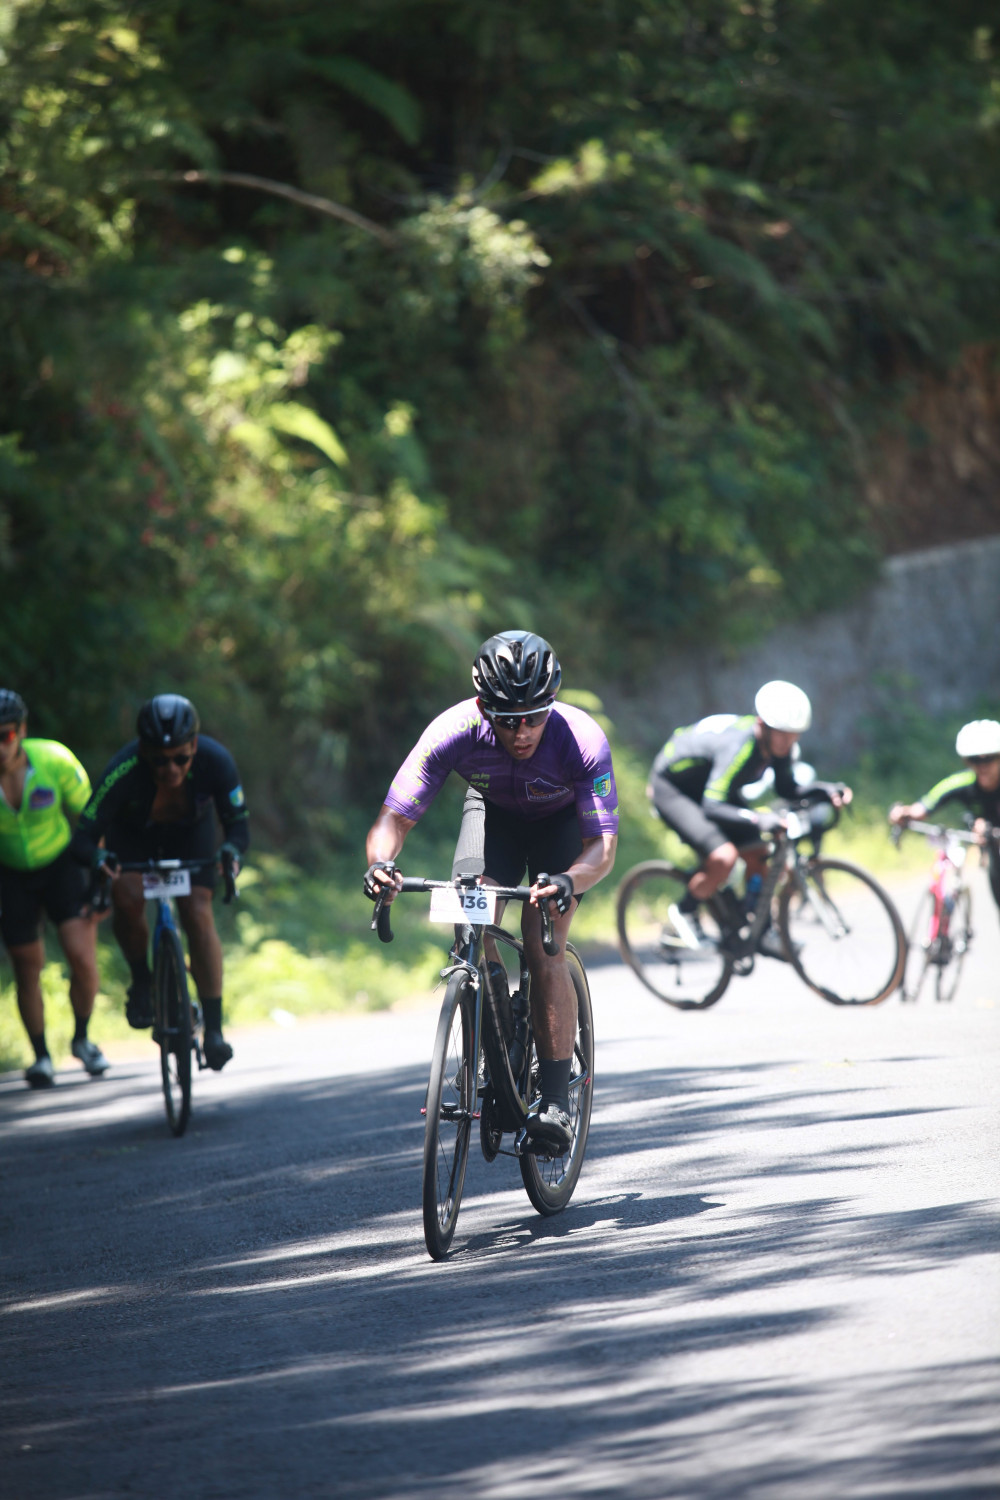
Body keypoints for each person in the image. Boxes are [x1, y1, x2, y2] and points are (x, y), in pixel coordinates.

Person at [364, 630, 618, 1154]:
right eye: (506, 720)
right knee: (471, 919)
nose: (522, 732)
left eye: (534, 717)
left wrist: (569, 880)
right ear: (483, 708)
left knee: (543, 942)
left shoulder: (581, 738)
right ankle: (498, 1030)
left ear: (552, 704)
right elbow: (394, 819)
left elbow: (601, 848)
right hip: (492, 817)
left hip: (559, 829)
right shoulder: (453, 730)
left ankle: (554, 1101)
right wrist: (381, 865)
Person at [70, 693, 248, 1071]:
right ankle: (142, 981)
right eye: (159, 760)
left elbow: (237, 824)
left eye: (181, 758)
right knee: (127, 896)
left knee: (198, 913)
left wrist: (232, 850)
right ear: (143, 752)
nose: (170, 769)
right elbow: (83, 838)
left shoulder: (216, 760)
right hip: (135, 838)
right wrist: (99, 859)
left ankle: (214, 1030)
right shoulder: (122, 769)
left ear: (194, 746)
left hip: (191, 836)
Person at [647, 680, 851, 956]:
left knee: (759, 852)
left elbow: (787, 789)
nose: (788, 742)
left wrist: (825, 791)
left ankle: (761, 928)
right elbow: (713, 806)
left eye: (795, 735)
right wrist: (758, 819)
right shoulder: (739, 747)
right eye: (782, 735)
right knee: (724, 857)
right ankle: (685, 910)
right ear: (762, 725)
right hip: (674, 790)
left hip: (711, 789)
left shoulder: (778, 744)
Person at [0, 688, 109, 1088]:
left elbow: (91, 819)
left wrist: (100, 878)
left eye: (6, 735)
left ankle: (82, 1038)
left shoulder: (54, 760)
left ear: (22, 730)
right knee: (27, 967)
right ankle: (41, 1056)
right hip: (11, 873)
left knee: (82, 958)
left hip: (61, 865)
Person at [889, 719, 1000, 919]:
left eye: (990, 759)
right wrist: (903, 813)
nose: (982, 766)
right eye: (975, 760)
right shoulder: (963, 782)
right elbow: (925, 805)